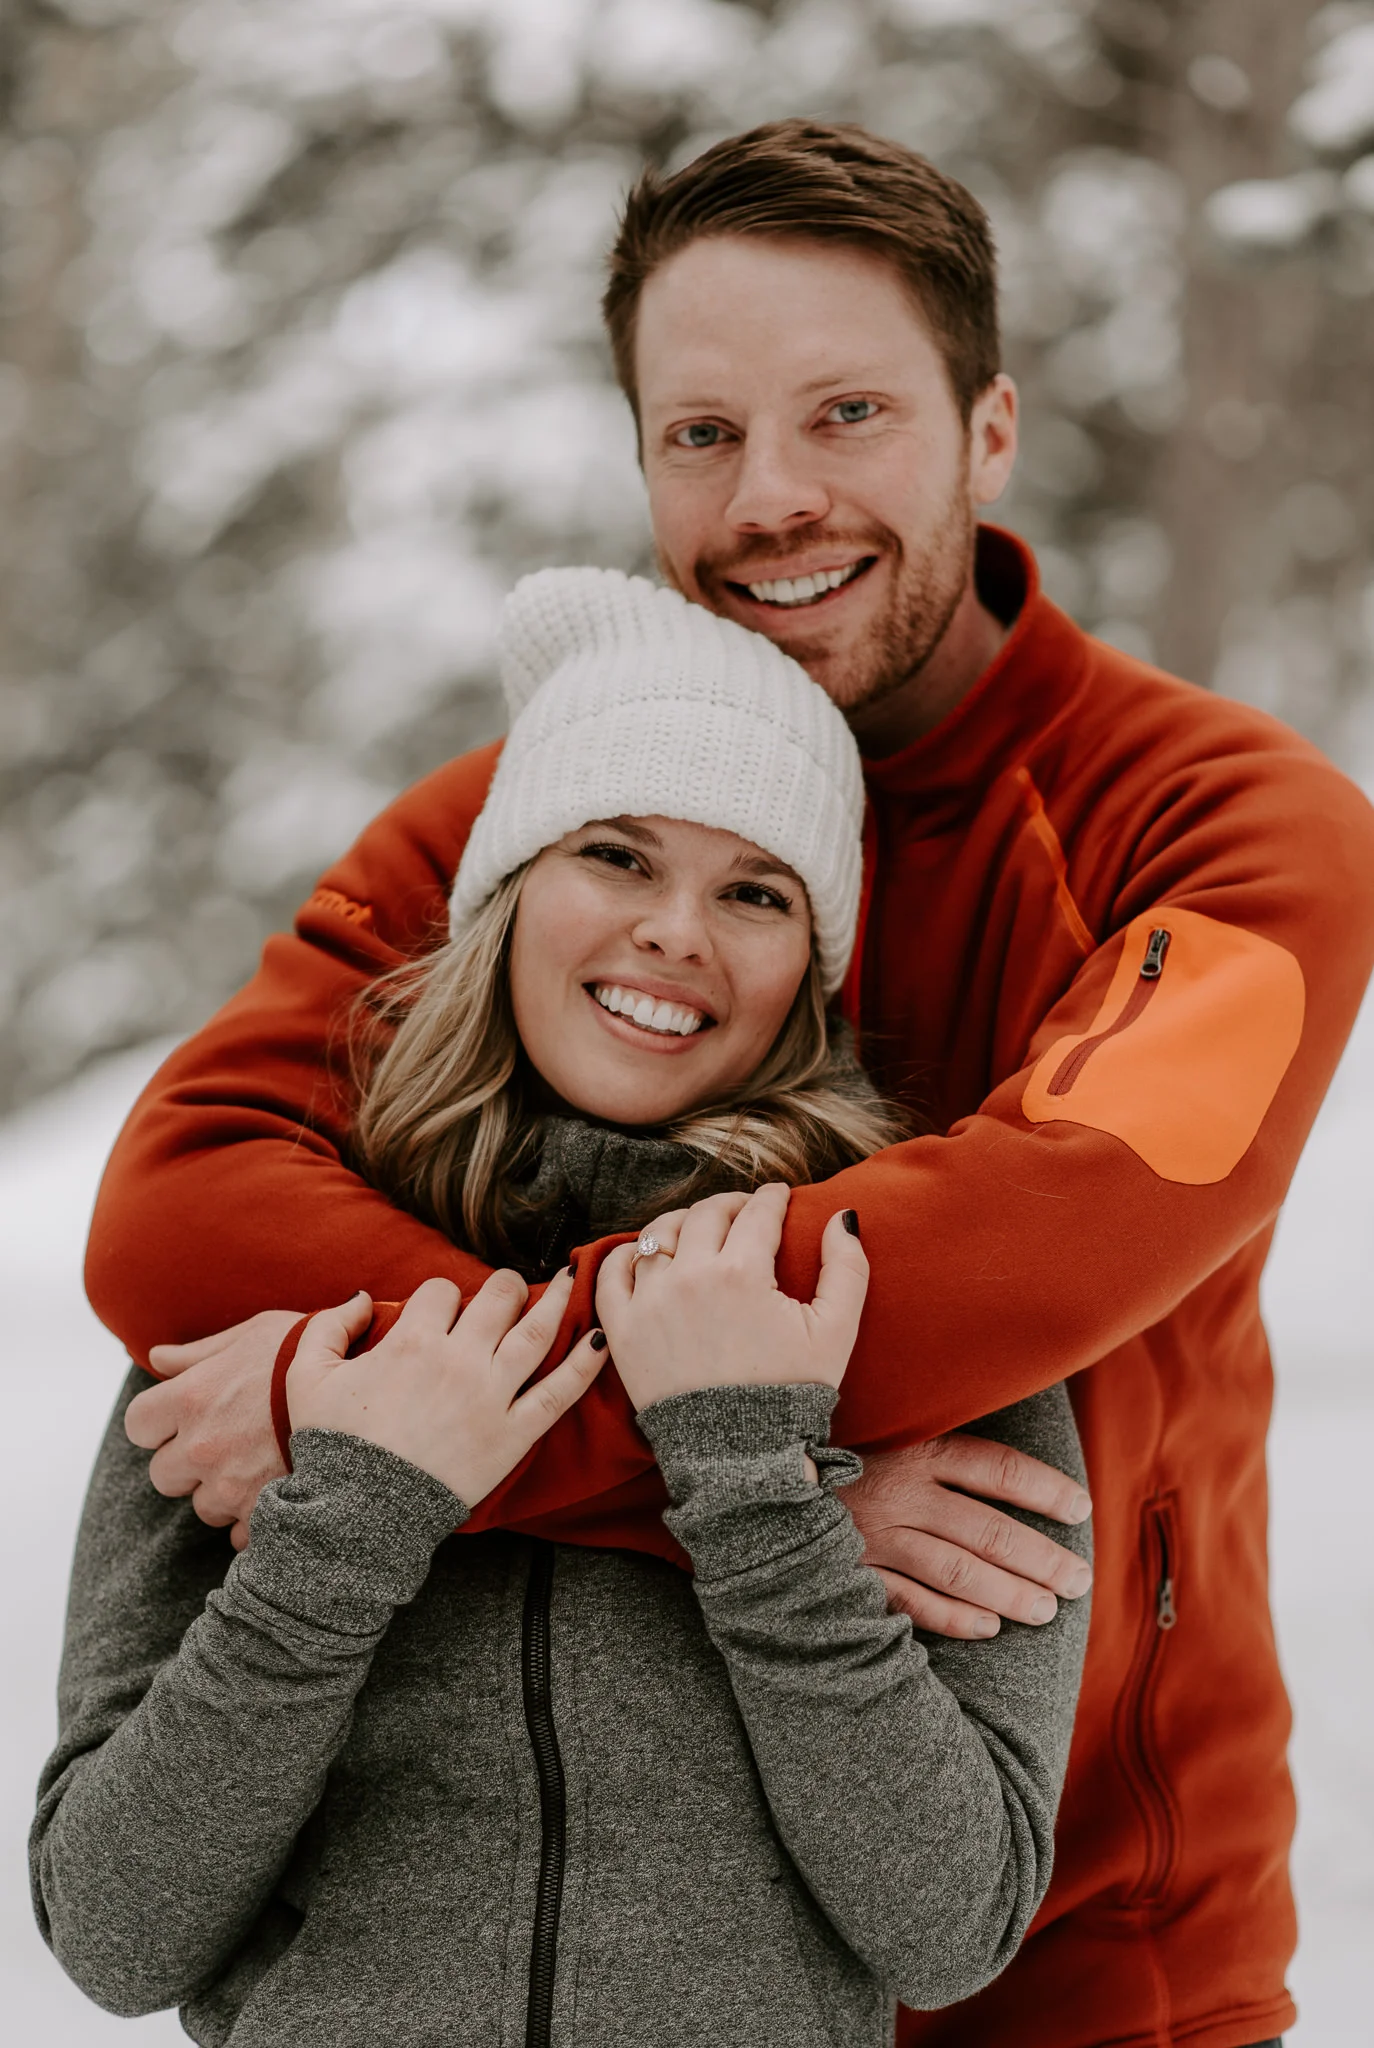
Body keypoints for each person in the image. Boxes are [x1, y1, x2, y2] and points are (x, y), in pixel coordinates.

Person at [79, 121, 1374, 2048]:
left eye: (844, 413)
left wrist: (390, 1408)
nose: (769, 496)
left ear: (988, 430)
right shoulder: (552, 815)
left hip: (1086, 1951)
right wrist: (724, 1477)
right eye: (699, 434)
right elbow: (183, 1198)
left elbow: (984, 1276)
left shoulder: (1226, 831)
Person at [33, 570, 1090, 2047]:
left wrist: (755, 1493)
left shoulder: (894, 1313)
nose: (676, 932)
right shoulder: (274, 1314)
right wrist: (353, 1520)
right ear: (510, 882)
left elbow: (950, 1919)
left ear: (809, 967)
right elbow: (113, 1927)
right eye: (615, 853)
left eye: (753, 890)